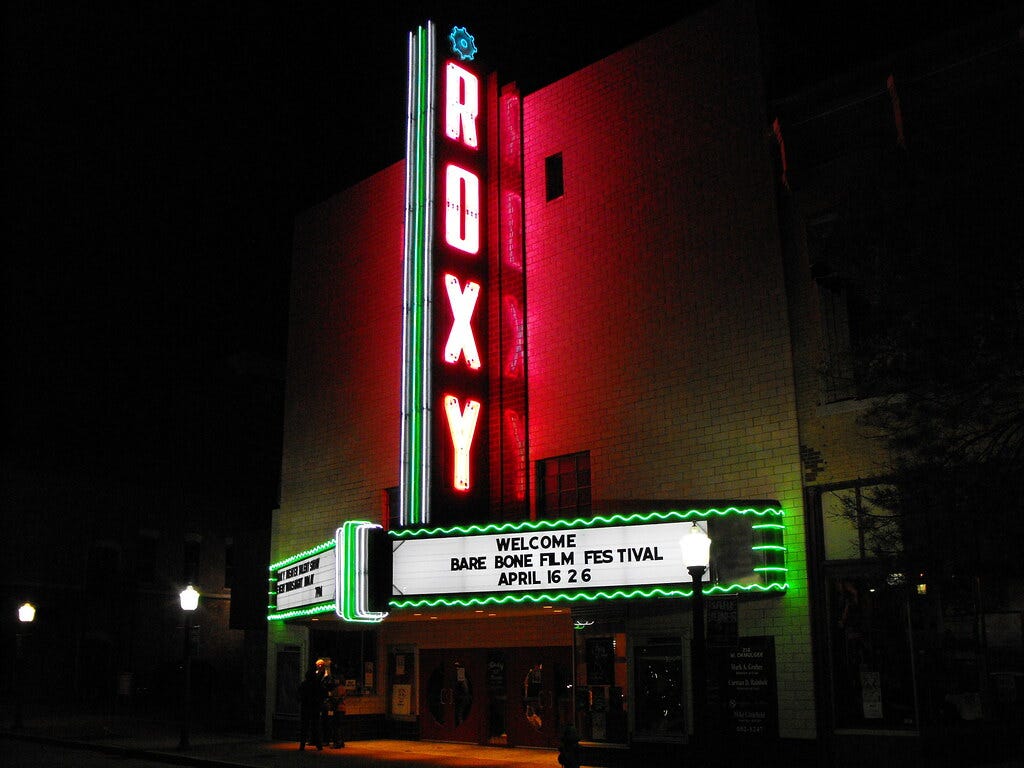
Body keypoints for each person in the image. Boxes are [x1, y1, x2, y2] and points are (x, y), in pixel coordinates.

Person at [298, 666, 325, 751]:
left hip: (305, 707)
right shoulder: (317, 684)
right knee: (316, 726)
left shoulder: (304, 684)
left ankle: (302, 745)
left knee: (304, 727)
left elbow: (299, 695)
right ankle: (319, 745)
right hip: (315, 707)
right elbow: (323, 694)